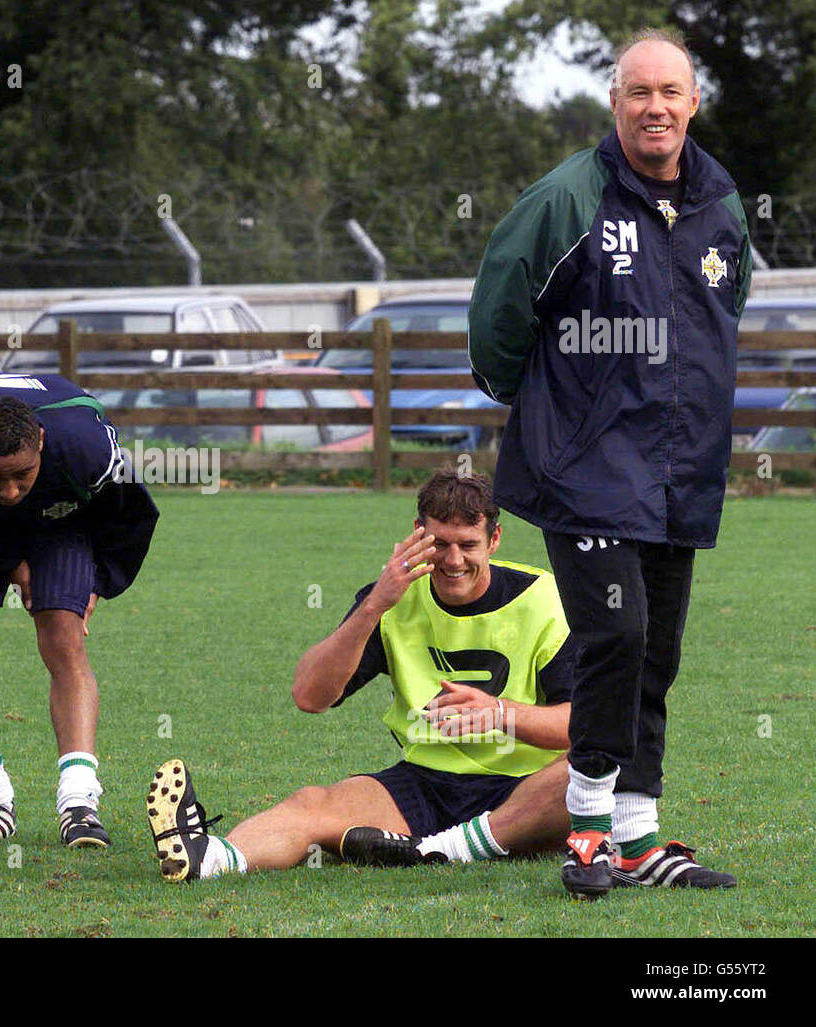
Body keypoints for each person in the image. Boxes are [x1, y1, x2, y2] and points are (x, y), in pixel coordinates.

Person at [468, 27, 746, 896]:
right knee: (615, 635)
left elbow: (724, 309)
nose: (656, 107)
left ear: (693, 103)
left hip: (681, 469)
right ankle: (587, 831)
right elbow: (498, 316)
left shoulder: (722, 205)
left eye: (671, 93)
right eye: (639, 93)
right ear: (615, 103)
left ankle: (638, 836)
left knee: (655, 652)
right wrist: (554, 413)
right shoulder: (566, 198)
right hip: (585, 470)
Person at [147, 470, 577, 882]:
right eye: (439, 544)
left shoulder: (544, 600)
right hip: (426, 783)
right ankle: (211, 858)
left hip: (526, 790)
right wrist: (374, 606)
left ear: (494, 539)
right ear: (417, 533)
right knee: (312, 805)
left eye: (468, 545)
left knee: (595, 767)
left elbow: (584, 725)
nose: (453, 560)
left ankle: (447, 848)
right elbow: (310, 696)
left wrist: (500, 713)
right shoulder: (390, 598)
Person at [0, 368, 158, 848]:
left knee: (63, 635)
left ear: (41, 441)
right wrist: (8, 560)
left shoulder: (87, 448)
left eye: (22, 474)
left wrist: (99, 581)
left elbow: (132, 515)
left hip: (62, 520)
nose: (11, 490)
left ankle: (79, 803)